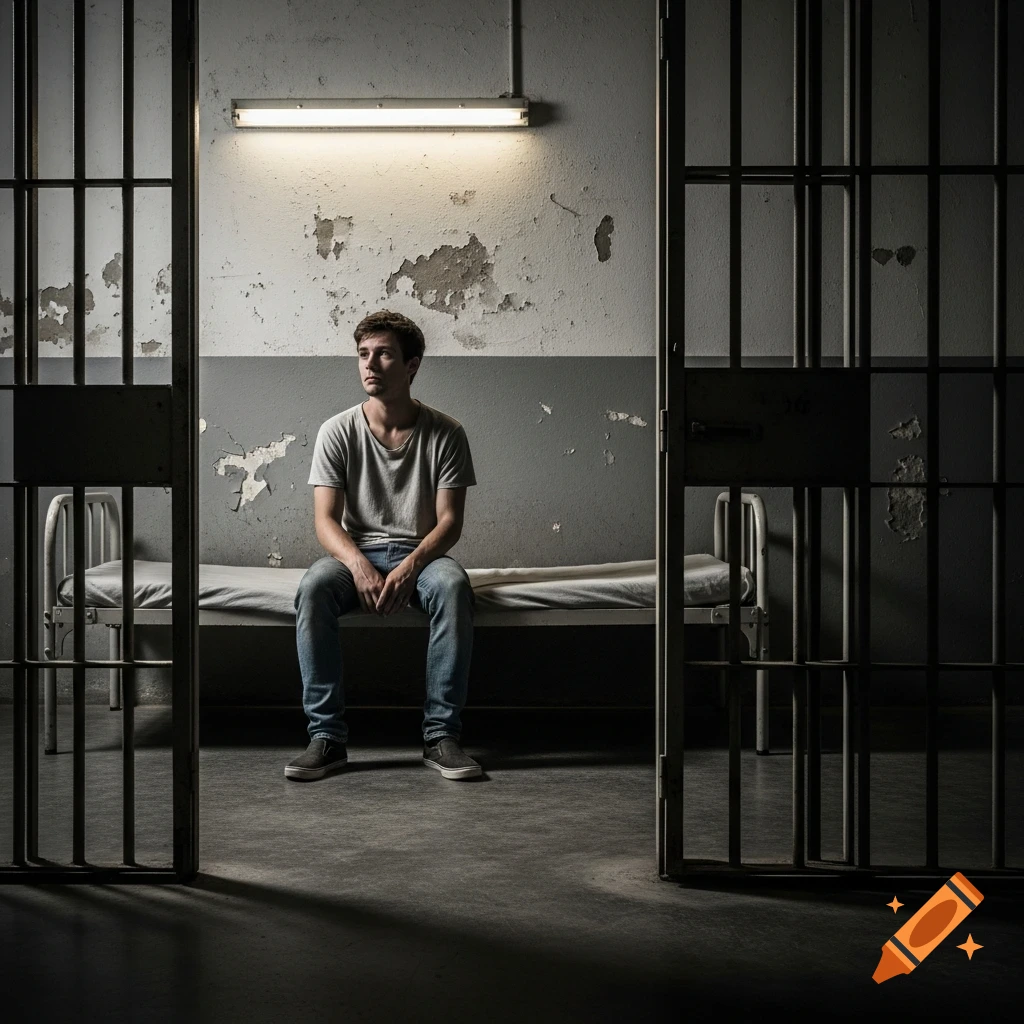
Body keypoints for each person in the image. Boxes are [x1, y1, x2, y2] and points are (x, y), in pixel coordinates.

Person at [287, 309, 482, 782]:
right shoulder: (338, 431)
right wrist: (358, 564)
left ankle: (441, 737)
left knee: (454, 587)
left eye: (384, 354)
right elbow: (325, 521)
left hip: (423, 554)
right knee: (313, 587)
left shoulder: (447, 433)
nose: (370, 364)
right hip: (357, 553)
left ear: (412, 365)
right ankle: (327, 738)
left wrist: (413, 566)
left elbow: (450, 523)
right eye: (362, 355)